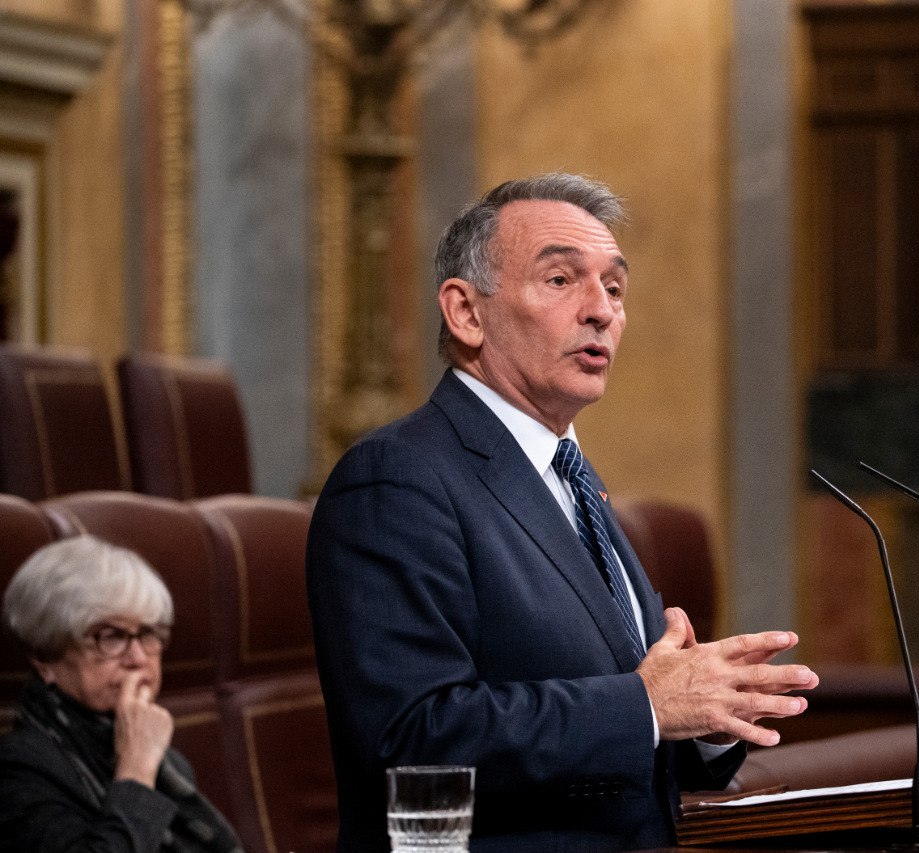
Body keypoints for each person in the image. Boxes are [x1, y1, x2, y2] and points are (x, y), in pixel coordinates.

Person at [306, 171, 820, 853]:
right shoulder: (395, 481)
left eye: (615, 288)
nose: (601, 310)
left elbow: (630, 728)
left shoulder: (572, 478)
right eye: (560, 279)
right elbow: (410, 741)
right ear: (466, 313)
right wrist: (647, 705)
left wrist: (708, 713)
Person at [0, 535, 242, 853]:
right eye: (110, 637)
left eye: (149, 633)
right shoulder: (20, 768)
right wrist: (137, 770)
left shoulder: (169, 763)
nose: (138, 658)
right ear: (45, 657)